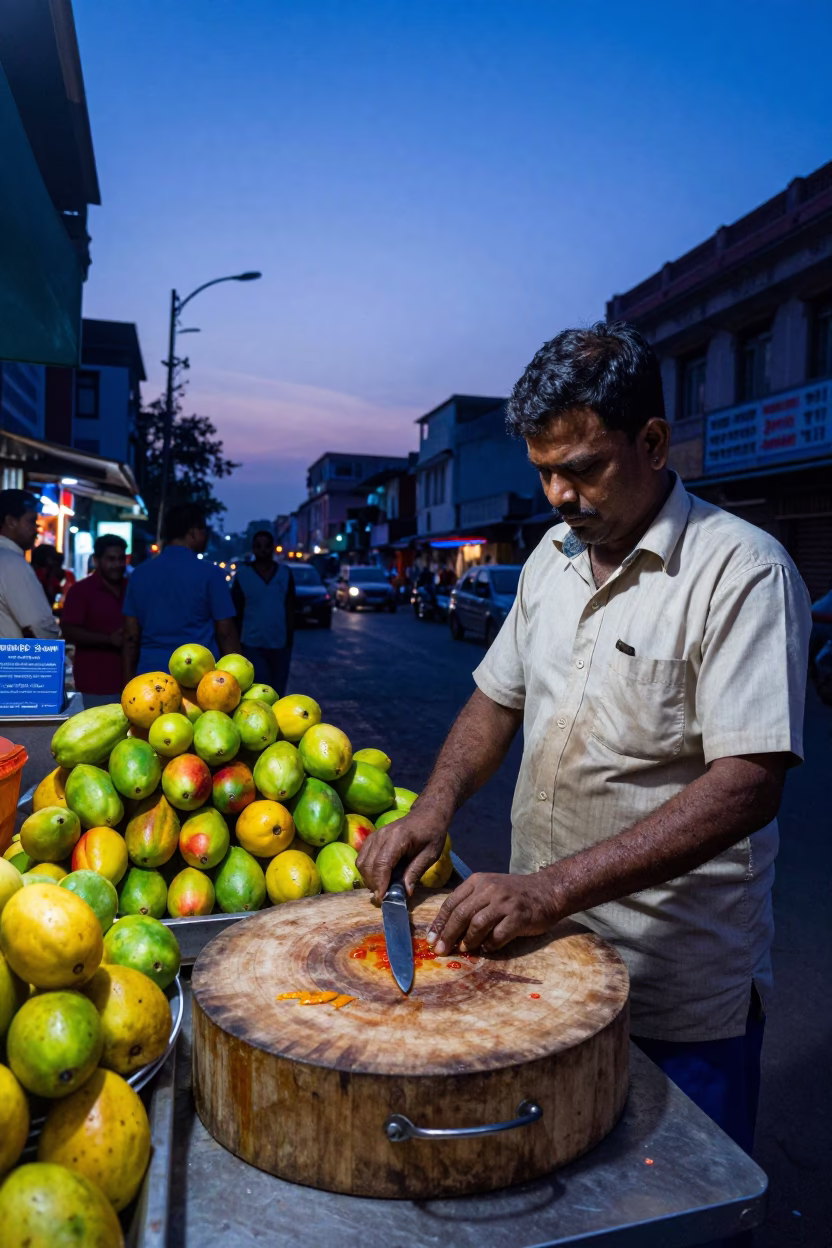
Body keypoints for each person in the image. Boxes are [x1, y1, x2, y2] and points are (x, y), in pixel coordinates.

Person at [358, 322, 810, 1170]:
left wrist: (548, 889)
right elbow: (495, 701)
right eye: (544, 472)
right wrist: (434, 806)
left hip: (676, 994)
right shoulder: (550, 560)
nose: (560, 495)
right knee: (557, 1187)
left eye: (583, 468)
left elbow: (748, 785)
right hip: (544, 965)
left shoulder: (743, 571)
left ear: (651, 441)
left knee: (682, 1207)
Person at [122, 503, 239, 680]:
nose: (206, 536)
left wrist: (127, 680)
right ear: (193, 532)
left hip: (151, 674)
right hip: (197, 677)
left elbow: (131, 635)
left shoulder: (140, 574)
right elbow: (226, 633)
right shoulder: (212, 574)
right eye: (203, 530)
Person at [61, 534, 128, 707]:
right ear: (96, 560)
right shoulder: (81, 591)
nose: (118, 564)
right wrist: (109, 640)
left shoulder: (131, 588)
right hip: (95, 682)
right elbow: (68, 630)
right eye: (111, 559)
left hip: (130, 682)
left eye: (121, 558)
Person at [231, 530, 294, 695]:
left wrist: (289, 640)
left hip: (279, 643)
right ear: (253, 549)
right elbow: (235, 611)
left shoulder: (285, 573)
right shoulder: (243, 576)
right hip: (252, 643)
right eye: (258, 546)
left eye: (267, 546)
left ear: (273, 548)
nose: (263, 550)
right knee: (260, 691)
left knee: (278, 691)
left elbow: (290, 607)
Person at [0, 489, 60, 639]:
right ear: (11, 522)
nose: (37, 529)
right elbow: (39, 624)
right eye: (31, 521)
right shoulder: (12, 563)